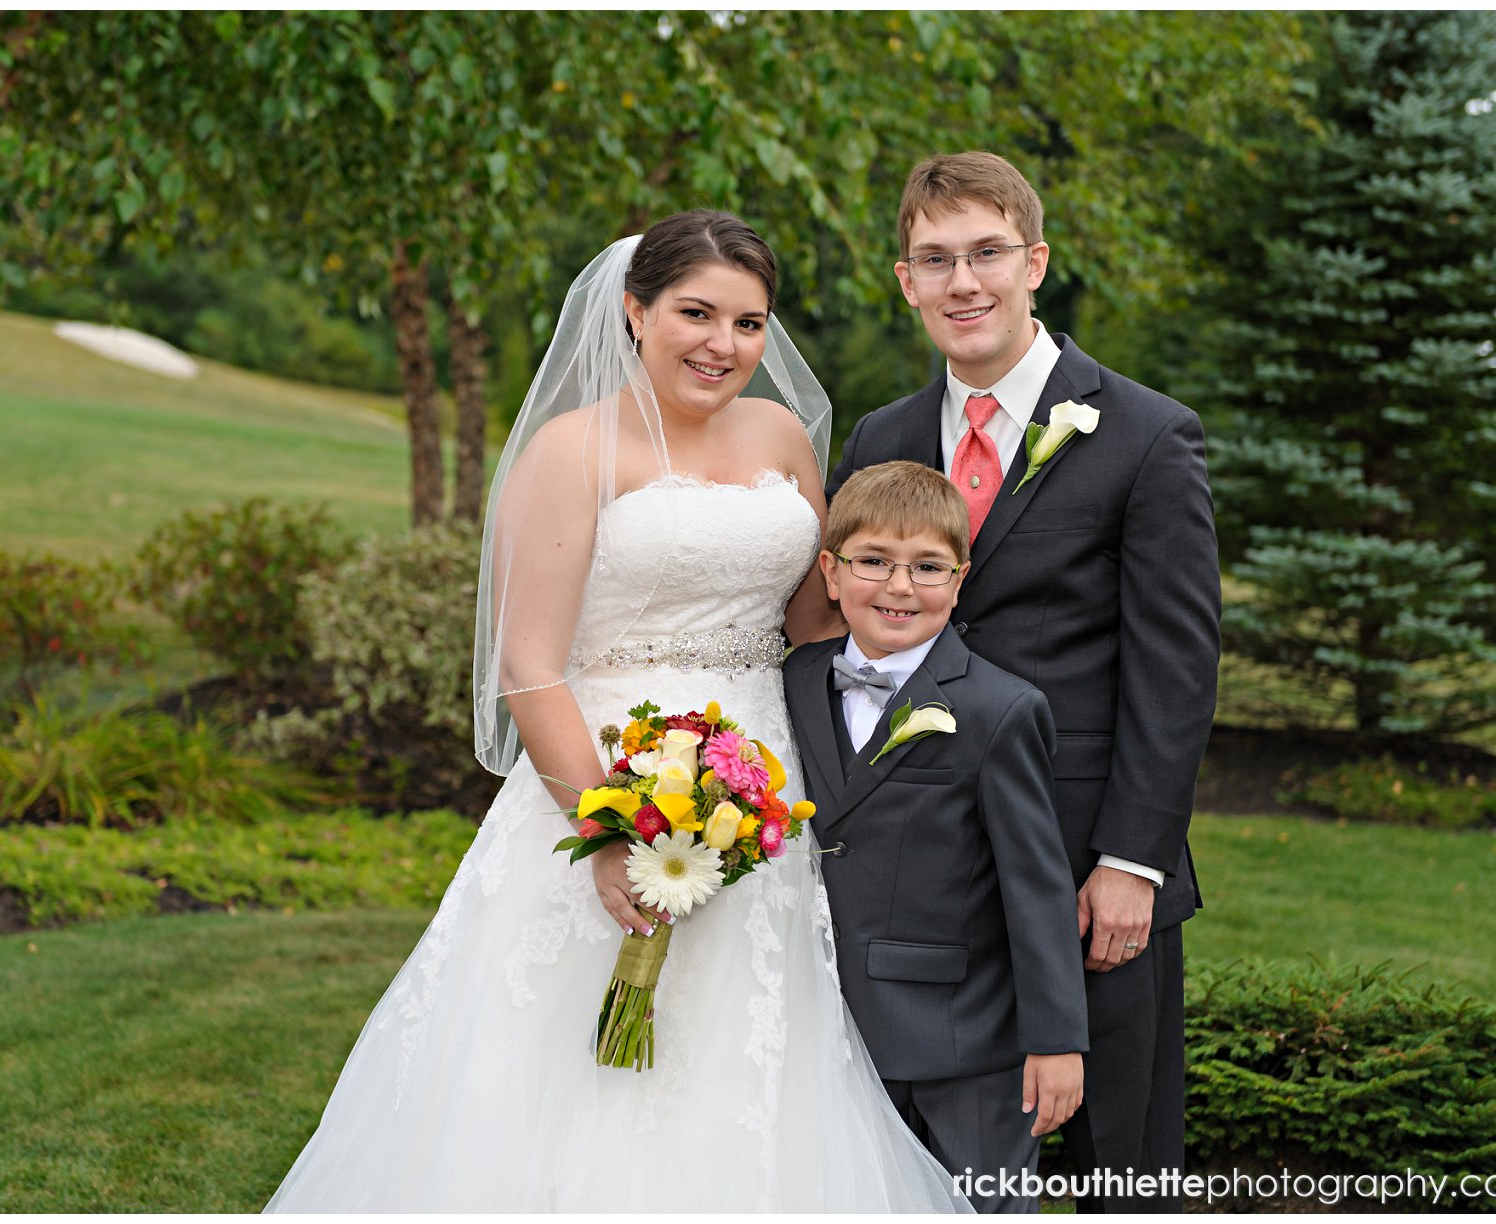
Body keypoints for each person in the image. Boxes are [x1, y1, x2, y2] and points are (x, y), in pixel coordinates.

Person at [265, 211, 968, 1212]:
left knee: (748, 1046)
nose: (722, 345)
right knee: (568, 1067)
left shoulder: (778, 433)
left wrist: (902, 585)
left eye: (749, 322)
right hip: (602, 781)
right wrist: (604, 832)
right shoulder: (570, 450)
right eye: (695, 313)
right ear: (635, 311)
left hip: (763, 789)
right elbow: (531, 667)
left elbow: (809, 618)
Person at [826, 153, 1221, 1212]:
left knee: (1113, 1162)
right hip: (920, 881)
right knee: (913, 1155)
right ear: (905, 279)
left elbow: (1175, 669)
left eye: (986, 253)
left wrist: (1133, 859)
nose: (964, 282)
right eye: (935, 258)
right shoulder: (881, 439)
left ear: (1034, 263)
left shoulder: (1146, 435)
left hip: (1089, 861)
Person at [783, 460, 1089, 1213]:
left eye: (927, 567)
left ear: (959, 579)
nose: (898, 587)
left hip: (964, 1045)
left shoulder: (998, 708)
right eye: (874, 562)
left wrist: (1057, 1041)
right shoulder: (791, 682)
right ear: (830, 570)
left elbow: (1037, 887)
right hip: (824, 1021)